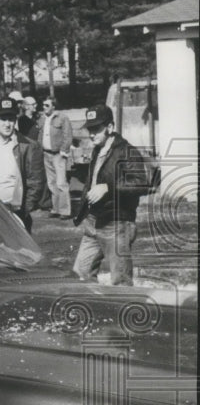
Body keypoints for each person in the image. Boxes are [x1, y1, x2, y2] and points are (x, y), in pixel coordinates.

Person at [72, 105, 152, 286]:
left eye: (96, 129)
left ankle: (122, 313)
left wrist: (108, 187)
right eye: (90, 129)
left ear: (110, 127)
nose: (92, 134)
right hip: (93, 221)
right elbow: (91, 182)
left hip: (117, 224)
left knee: (120, 281)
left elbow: (141, 183)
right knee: (80, 276)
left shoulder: (126, 151)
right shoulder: (98, 149)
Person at [0, 97, 45, 232]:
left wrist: (23, 211)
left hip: (16, 214)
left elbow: (36, 182)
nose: (7, 124)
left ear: (15, 120)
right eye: (3, 119)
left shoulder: (29, 146)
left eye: (11, 119)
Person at [36, 97, 73, 218]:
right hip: (46, 154)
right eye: (43, 105)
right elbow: (40, 135)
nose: (44, 107)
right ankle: (56, 209)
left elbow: (68, 135)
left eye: (47, 105)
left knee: (61, 183)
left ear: (54, 107)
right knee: (51, 183)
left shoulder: (62, 118)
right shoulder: (42, 119)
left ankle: (65, 211)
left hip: (58, 154)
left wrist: (64, 151)